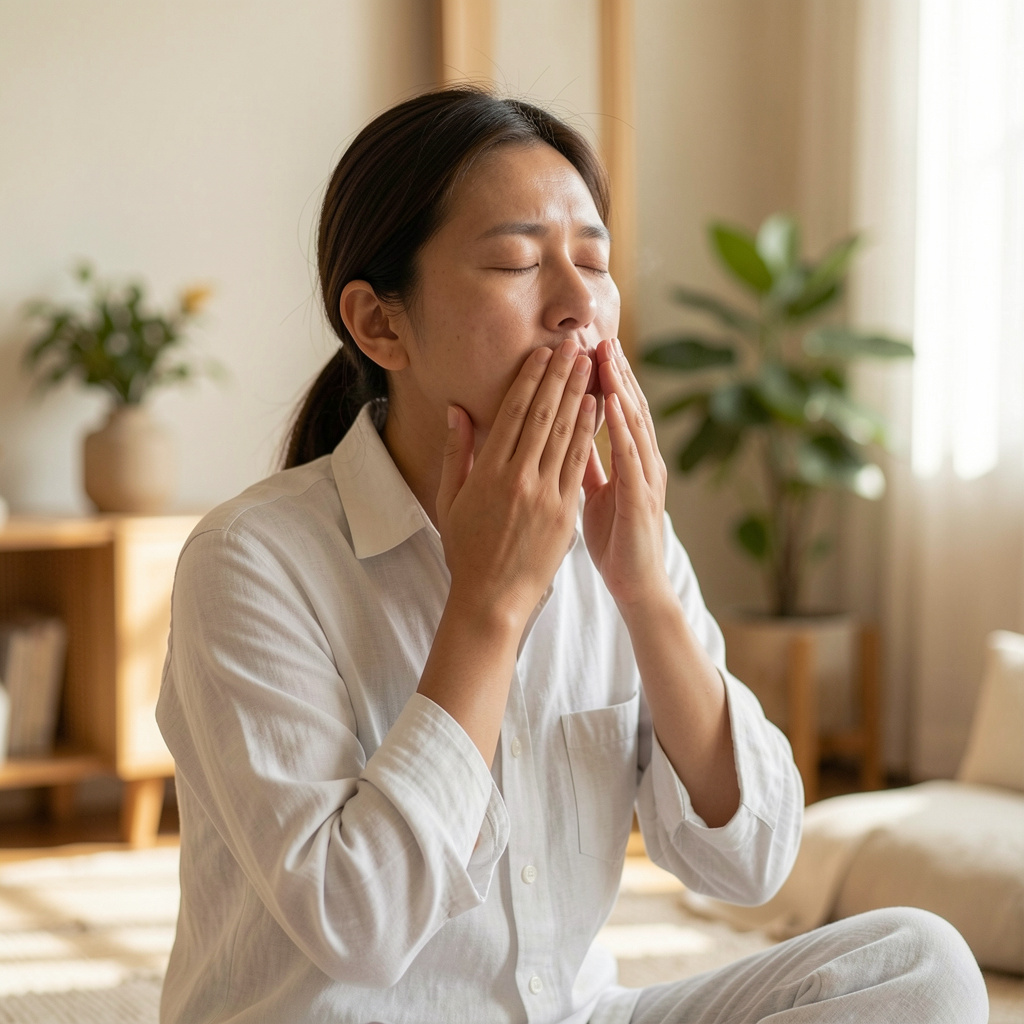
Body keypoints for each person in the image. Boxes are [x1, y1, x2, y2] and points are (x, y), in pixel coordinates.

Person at [156, 86, 987, 1024]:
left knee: (921, 964)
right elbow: (362, 924)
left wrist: (645, 593)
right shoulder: (249, 561)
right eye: (516, 262)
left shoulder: (619, 540)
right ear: (381, 324)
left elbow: (750, 863)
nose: (577, 304)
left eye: (593, 261)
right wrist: (489, 603)